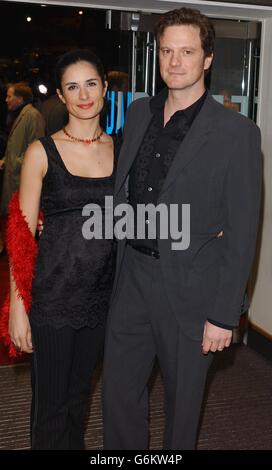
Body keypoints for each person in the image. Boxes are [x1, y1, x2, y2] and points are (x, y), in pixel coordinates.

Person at [102, 8, 262, 450]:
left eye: (187, 51)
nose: (175, 62)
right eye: (167, 51)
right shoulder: (136, 115)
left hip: (192, 291)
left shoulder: (237, 133)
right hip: (132, 276)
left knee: (182, 407)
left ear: (207, 58)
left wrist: (223, 314)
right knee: (118, 395)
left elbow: (243, 230)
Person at [6, 49, 117, 449]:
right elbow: (21, 232)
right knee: (49, 410)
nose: (83, 94)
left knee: (77, 403)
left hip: (101, 299)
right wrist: (18, 308)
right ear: (61, 95)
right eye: (73, 86)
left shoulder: (121, 150)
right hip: (52, 299)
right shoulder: (41, 151)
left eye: (91, 83)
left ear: (105, 88)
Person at [0, 82, 45, 254]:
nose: (6, 100)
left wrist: (16, 162)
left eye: (10, 96)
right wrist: (6, 160)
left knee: (24, 224)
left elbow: (37, 145)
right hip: (15, 178)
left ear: (19, 98)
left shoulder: (32, 116)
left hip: (23, 180)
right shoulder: (21, 115)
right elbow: (16, 146)